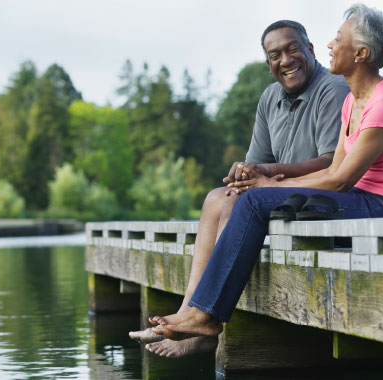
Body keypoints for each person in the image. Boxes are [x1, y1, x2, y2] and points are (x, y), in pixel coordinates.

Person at [147, 3, 383, 346]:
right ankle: (198, 311)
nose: (330, 46)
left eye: (338, 39)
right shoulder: (354, 100)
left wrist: (267, 185)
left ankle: (204, 315)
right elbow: (335, 170)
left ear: (362, 53)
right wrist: (267, 184)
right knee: (252, 198)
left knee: (254, 202)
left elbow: (339, 180)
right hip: (362, 200)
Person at [129, 20, 350, 357]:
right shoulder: (270, 97)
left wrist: (267, 173)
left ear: (310, 49)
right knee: (218, 197)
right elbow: (256, 162)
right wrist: (246, 174)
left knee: (237, 203)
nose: (286, 59)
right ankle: (190, 311)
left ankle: (204, 321)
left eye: (293, 48)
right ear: (268, 63)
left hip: (317, 197)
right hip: (281, 193)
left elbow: (333, 163)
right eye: (275, 55)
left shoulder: (331, 87)